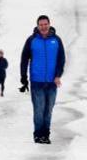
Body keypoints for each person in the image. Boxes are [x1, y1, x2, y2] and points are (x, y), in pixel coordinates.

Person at [19, 15, 66, 144]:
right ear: (37, 26)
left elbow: (61, 60)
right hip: (37, 81)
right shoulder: (32, 40)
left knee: (48, 110)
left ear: (49, 24)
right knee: (39, 110)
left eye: (46, 24)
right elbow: (24, 59)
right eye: (41, 24)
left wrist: (58, 75)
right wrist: (23, 76)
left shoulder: (56, 40)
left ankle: (46, 134)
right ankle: (38, 135)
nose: (43, 26)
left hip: (52, 82)